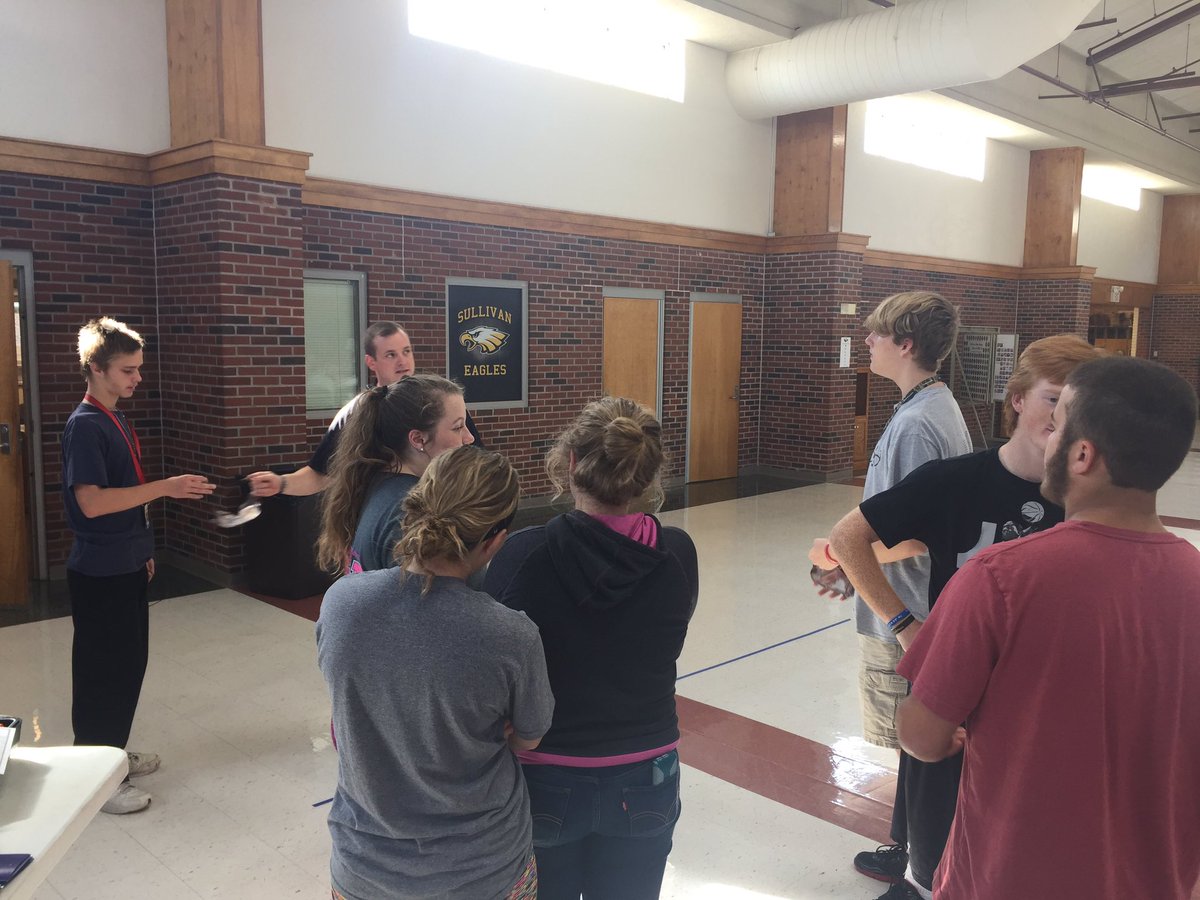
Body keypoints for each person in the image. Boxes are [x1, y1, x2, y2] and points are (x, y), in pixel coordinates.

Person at [896, 356, 1200, 899]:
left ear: (1082, 455)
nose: (1049, 438)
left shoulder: (998, 578)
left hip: (1009, 877)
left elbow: (921, 736)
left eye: (1059, 428)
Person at [829, 335, 1102, 899]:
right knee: (933, 849)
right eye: (1055, 399)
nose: (1065, 418)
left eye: (1081, 405)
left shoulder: (1092, 500)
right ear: (1019, 398)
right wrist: (907, 627)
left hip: (1037, 709)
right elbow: (849, 539)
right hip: (955, 702)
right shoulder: (955, 480)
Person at [484, 397, 698, 900]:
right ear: (647, 478)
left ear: (572, 463)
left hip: (548, 768)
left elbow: (488, 656)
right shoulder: (677, 553)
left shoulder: (524, 554)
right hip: (647, 767)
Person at [317, 445, 554, 900]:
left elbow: (348, 703)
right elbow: (529, 736)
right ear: (496, 540)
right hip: (483, 874)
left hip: (366, 870)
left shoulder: (342, 603)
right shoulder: (511, 636)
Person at [62, 317, 215, 815]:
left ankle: (111, 755)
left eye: (138, 369)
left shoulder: (117, 419)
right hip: (99, 571)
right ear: (96, 369)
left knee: (128, 666)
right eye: (127, 370)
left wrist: (143, 549)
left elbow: (126, 502)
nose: (137, 379)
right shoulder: (85, 426)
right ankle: (95, 779)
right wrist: (166, 487)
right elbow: (92, 503)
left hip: (125, 561)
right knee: (102, 671)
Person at [809, 291, 971, 752]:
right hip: (905, 602)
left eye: (876, 333)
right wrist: (850, 566)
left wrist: (843, 553)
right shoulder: (928, 406)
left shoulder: (918, 424)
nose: (866, 341)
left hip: (906, 617)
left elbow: (917, 539)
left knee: (909, 750)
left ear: (904, 345)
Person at [247, 321, 481, 499]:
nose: (402, 361)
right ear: (371, 362)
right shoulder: (356, 413)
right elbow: (322, 474)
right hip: (381, 518)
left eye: (406, 351)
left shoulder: (443, 404)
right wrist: (281, 484)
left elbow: (477, 464)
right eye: (391, 354)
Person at [316, 374, 474, 574]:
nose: (469, 438)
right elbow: (424, 601)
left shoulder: (370, 484)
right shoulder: (412, 513)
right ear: (418, 439)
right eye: (458, 427)